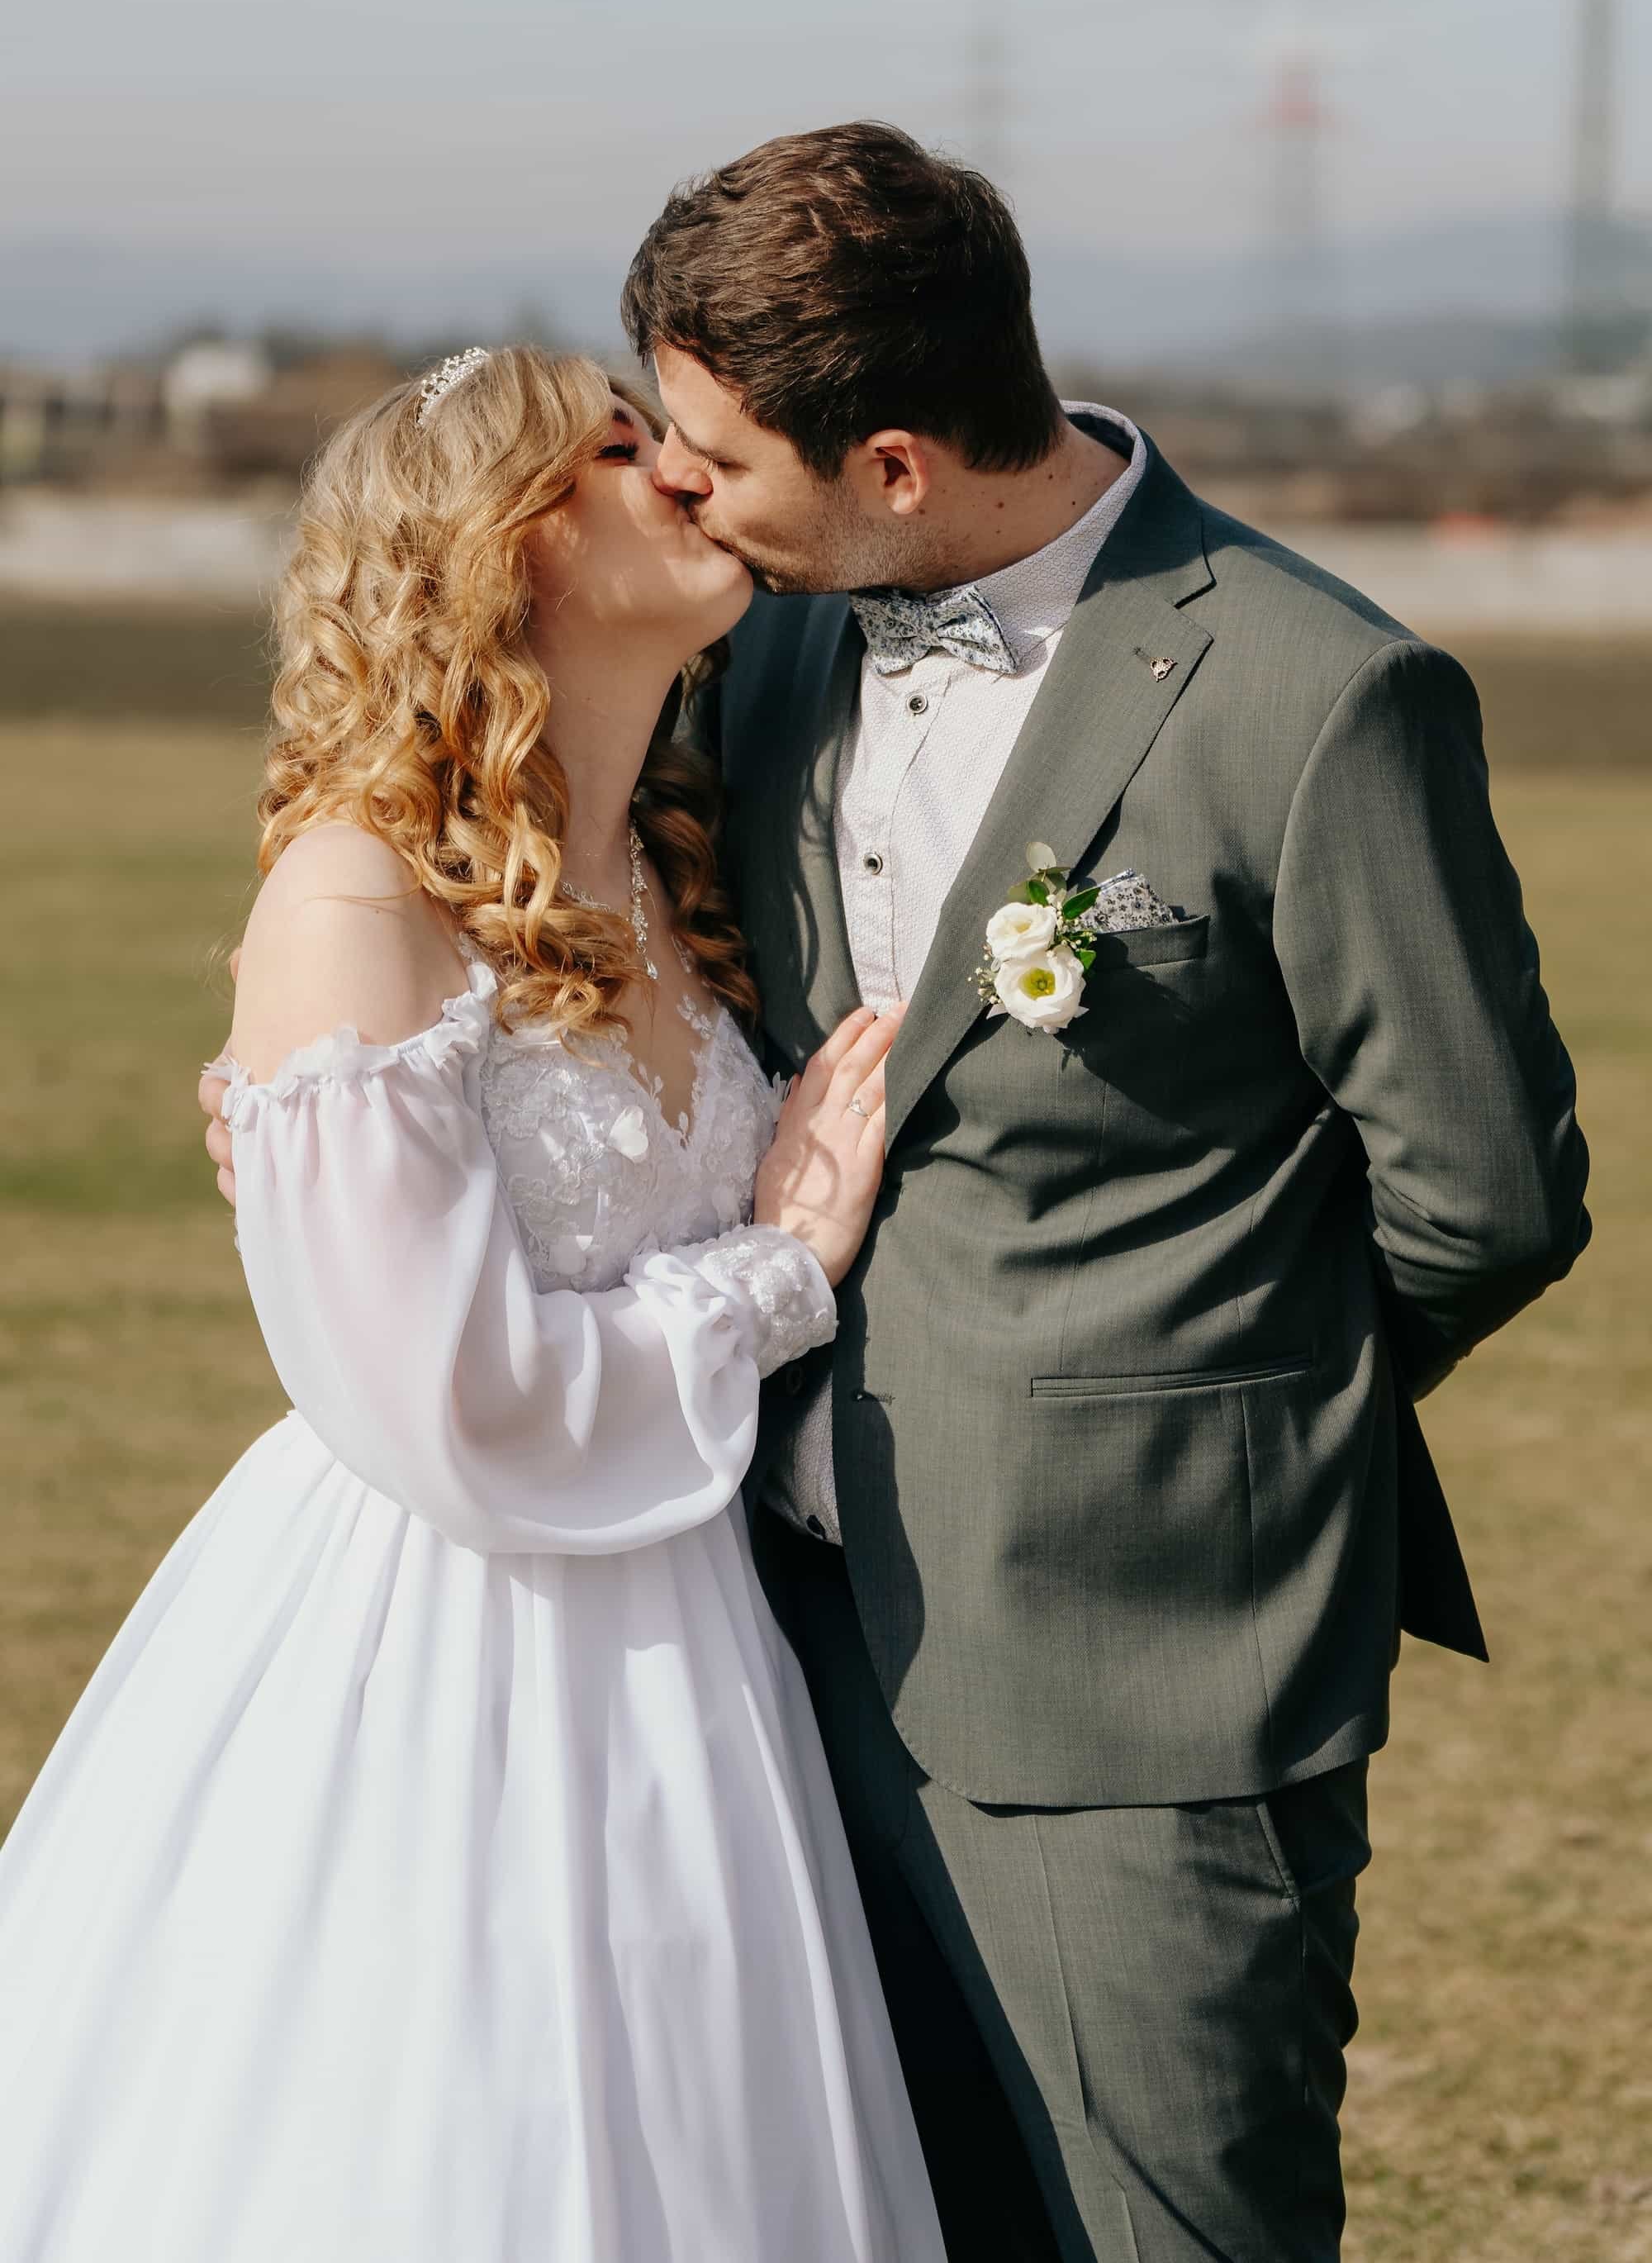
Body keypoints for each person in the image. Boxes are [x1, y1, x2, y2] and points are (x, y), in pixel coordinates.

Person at [603, 121, 1585, 2261]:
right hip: (767, 1637)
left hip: (1149, 1672)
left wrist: (1213, 1407)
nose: (676, 492)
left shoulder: (1320, 698)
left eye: (709, 454)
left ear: (889, 463)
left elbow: (1486, 1190)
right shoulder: (767, 648)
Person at [0, 345, 947, 2263]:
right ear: (508, 550)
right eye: (623, 449)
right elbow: (455, 1401)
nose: (686, 473)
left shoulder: (683, 878)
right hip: (441, 1647)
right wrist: (779, 1265)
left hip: (688, 1642)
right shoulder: (353, 901)